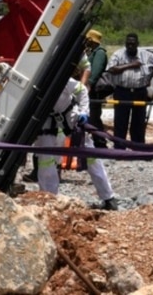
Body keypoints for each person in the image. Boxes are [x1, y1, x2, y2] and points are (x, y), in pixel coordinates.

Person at [34, 73, 119, 210]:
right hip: (48, 122)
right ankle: (49, 199)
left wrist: (84, 111)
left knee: (91, 157)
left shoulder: (61, 79)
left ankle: (108, 197)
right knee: (46, 160)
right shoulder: (34, 82)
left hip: (70, 119)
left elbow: (82, 90)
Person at [106, 33, 153, 147]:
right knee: (121, 121)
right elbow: (111, 69)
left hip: (139, 92)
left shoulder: (145, 55)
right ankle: (119, 147)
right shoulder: (118, 54)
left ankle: (138, 147)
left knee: (139, 121)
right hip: (122, 91)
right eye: (128, 44)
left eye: (132, 43)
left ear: (137, 44)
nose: (130, 46)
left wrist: (149, 77)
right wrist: (131, 65)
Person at [83, 29, 111, 152]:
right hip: (89, 89)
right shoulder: (91, 52)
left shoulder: (99, 53)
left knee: (94, 117)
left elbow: (95, 71)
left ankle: (100, 141)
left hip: (93, 91)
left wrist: (89, 85)